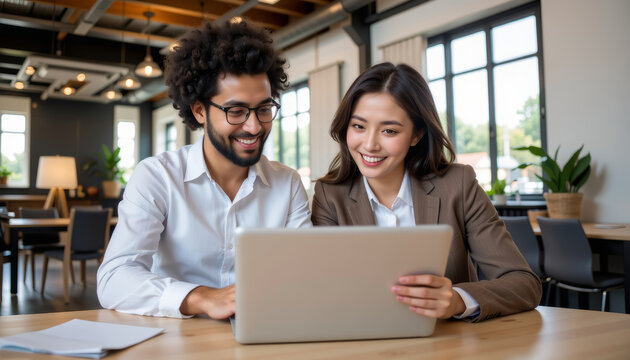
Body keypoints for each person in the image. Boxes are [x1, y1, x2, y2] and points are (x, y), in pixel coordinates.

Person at [97, 22, 311, 319]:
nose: (254, 126)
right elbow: (114, 279)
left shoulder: (287, 183)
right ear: (199, 111)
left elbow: (304, 273)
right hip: (176, 339)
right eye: (236, 111)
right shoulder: (158, 177)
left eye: (264, 109)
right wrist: (202, 298)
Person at [311, 62, 541, 322]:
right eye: (359, 126)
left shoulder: (459, 185)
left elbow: (524, 283)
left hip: (451, 345)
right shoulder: (330, 196)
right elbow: (324, 292)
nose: (370, 144)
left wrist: (457, 300)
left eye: (389, 130)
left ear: (416, 135)